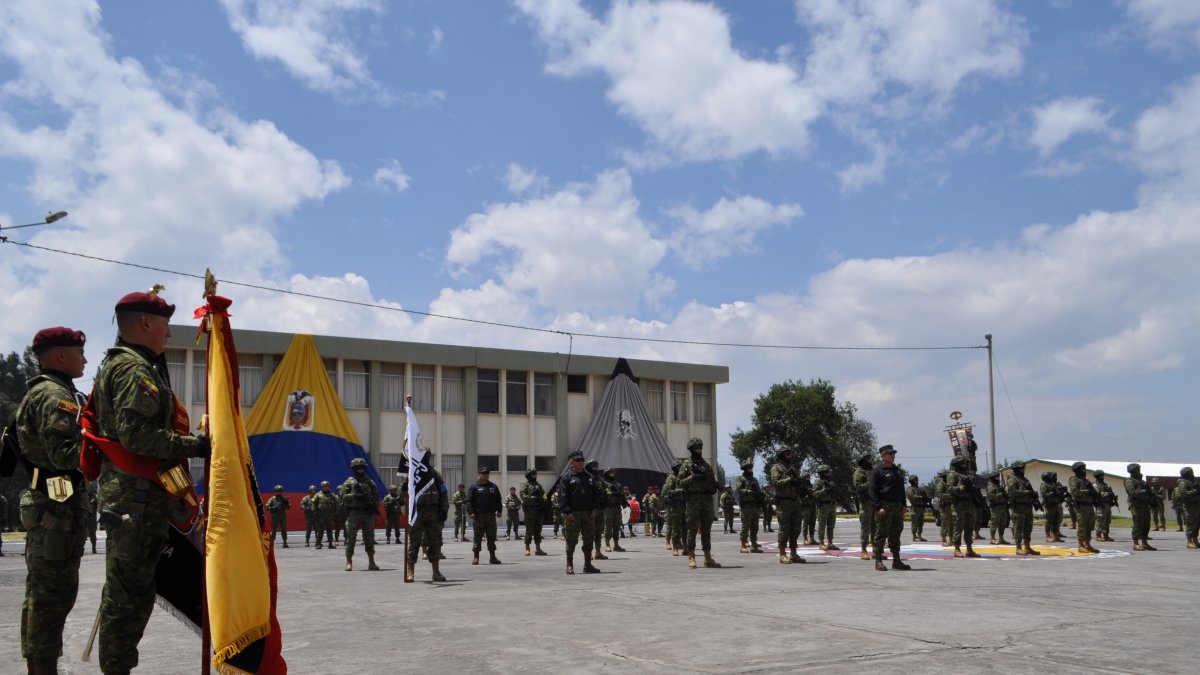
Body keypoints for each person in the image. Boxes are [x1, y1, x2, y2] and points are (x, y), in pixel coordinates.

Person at [91, 292, 211, 675]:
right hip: (136, 502)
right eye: (164, 324)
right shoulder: (134, 370)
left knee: (132, 596)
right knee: (127, 600)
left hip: (138, 500)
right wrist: (198, 446)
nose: (169, 332)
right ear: (145, 323)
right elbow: (137, 436)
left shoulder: (127, 365)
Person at [13, 326, 89, 673]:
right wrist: (101, 446)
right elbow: (63, 455)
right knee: (49, 598)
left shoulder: (51, 392)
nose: (84, 358)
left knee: (48, 596)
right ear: (60, 355)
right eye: (78, 352)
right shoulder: (54, 396)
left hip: (56, 501)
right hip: (54, 505)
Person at [677, 437, 721, 569]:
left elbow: (712, 480)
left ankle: (708, 557)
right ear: (691, 449)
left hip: (706, 500)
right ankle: (691, 556)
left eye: (701, 447)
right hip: (693, 501)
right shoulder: (686, 465)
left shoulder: (706, 465)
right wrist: (692, 477)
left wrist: (713, 487)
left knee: (706, 530)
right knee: (692, 530)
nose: (699, 450)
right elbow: (679, 483)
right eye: (697, 448)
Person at [400, 465, 449, 582]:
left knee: (435, 541)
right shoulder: (412, 473)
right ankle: (410, 571)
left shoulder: (435, 474)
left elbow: (443, 491)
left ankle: (436, 572)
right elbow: (403, 493)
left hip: (433, 512)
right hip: (417, 511)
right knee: (414, 541)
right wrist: (403, 490)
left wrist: (444, 509)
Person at [868, 445, 909, 571]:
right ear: (883, 456)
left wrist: (903, 504)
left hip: (897, 506)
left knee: (896, 533)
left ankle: (896, 561)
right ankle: (878, 561)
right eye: (889, 453)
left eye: (893, 453)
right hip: (884, 506)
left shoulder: (897, 471)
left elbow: (901, 489)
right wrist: (878, 507)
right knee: (881, 533)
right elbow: (873, 490)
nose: (892, 455)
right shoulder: (877, 471)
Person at [560, 450, 601, 574]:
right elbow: (562, 496)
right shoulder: (567, 477)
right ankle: (569, 564)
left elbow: (596, 495)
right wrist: (567, 512)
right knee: (571, 540)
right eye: (578, 460)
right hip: (574, 515)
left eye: (582, 460)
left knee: (589, 540)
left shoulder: (589, 477)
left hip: (588, 514)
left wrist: (595, 509)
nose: (581, 462)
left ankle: (588, 565)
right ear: (572, 462)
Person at [339, 457, 381, 571]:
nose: (360, 470)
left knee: (369, 538)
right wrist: (354, 496)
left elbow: (377, 497)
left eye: (362, 468)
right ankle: (349, 562)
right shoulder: (349, 482)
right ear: (354, 469)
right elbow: (342, 498)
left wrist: (372, 506)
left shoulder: (370, 482)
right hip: (354, 514)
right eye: (358, 468)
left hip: (367, 514)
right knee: (351, 538)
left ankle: (371, 562)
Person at [769, 449, 805, 563]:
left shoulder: (792, 468)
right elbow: (775, 483)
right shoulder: (776, 468)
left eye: (790, 453)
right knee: (784, 529)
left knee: (796, 529)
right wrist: (789, 480)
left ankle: (794, 554)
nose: (789, 455)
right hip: (784, 503)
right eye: (786, 454)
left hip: (795, 502)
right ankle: (782, 554)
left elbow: (797, 483)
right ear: (781, 455)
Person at [467, 466, 503, 564]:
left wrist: (500, 510)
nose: (486, 475)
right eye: (484, 473)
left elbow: (498, 499)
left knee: (491, 537)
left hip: (491, 516)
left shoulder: (493, 487)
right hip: (479, 516)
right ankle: (476, 557)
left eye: (487, 473)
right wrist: (471, 512)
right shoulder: (474, 487)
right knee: (477, 537)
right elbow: (469, 501)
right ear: (479, 474)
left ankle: (492, 557)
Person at [946, 455, 980, 558]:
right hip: (959, 505)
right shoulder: (952, 475)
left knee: (970, 527)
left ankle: (969, 549)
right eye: (962, 463)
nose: (964, 464)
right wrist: (960, 488)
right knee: (958, 527)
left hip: (969, 504)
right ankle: (957, 549)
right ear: (957, 464)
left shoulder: (966, 474)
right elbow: (950, 488)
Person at [1005, 461, 1041, 556]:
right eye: (1021, 468)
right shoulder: (1012, 479)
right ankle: (1018, 548)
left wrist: (1033, 497)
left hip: (1027, 507)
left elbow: (1030, 491)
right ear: (1016, 469)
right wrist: (1027, 492)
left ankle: (1027, 547)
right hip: (1018, 508)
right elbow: (1012, 493)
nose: (1023, 470)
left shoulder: (1024, 479)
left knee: (1028, 528)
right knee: (1018, 528)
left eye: (1023, 468)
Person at [1067, 462, 1101, 553]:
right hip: (1081, 506)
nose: (1084, 470)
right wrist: (1087, 491)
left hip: (1089, 506)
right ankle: (1080, 545)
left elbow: (1093, 493)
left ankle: (1087, 544)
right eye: (1083, 468)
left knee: (1089, 526)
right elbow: (1075, 492)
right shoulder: (1074, 479)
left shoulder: (1086, 481)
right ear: (1078, 470)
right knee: (1082, 526)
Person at [1124, 463, 1156, 551]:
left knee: (1146, 524)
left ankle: (1145, 543)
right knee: (1138, 523)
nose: (1139, 470)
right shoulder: (1129, 480)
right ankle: (1136, 543)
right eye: (1137, 469)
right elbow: (1132, 492)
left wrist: (1151, 494)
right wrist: (1145, 491)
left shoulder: (1142, 481)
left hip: (1145, 504)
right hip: (1136, 505)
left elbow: (1148, 491)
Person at [735, 461, 765, 555]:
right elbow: (739, 490)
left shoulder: (754, 479)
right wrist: (748, 491)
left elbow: (758, 491)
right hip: (746, 506)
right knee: (745, 527)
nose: (751, 470)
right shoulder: (741, 479)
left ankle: (754, 545)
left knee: (755, 527)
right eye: (749, 468)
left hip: (755, 506)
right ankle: (743, 545)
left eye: (751, 468)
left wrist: (760, 497)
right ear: (744, 469)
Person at [852, 452, 875, 560]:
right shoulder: (859, 472)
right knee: (865, 528)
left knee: (876, 527)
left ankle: (876, 551)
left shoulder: (873, 471)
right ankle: (863, 550)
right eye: (868, 458)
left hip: (875, 503)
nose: (871, 460)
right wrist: (870, 483)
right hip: (866, 504)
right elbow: (858, 487)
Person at [812, 465, 840, 551]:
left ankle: (830, 543)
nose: (829, 473)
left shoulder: (831, 482)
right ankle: (821, 543)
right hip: (823, 506)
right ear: (822, 473)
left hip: (832, 505)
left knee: (831, 525)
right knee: (822, 525)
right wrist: (823, 491)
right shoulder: (818, 482)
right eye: (827, 471)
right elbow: (814, 494)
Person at [520, 469, 548, 556]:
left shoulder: (538, 485)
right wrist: (532, 497)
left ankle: (538, 549)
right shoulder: (525, 484)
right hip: (529, 511)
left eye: (536, 474)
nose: (535, 476)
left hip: (538, 510)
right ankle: (527, 549)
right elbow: (522, 495)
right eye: (533, 474)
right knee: (529, 530)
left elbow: (544, 495)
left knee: (538, 530)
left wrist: (544, 499)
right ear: (528, 475)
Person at [586, 459, 609, 560]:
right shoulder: (585, 478)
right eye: (593, 466)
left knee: (598, 532)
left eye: (596, 466)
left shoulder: (600, 478)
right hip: (590, 510)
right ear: (588, 466)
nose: (595, 467)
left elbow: (605, 491)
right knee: (589, 532)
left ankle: (598, 552)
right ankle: (589, 553)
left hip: (600, 509)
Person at [663, 459, 686, 555]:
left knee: (685, 527)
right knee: (674, 527)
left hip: (684, 505)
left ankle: (685, 546)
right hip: (674, 506)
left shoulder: (684, 477)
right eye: (679, 467)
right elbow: (668, 492)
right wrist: (679, 491)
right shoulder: (671, 478)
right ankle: (674, 546)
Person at [601, 468, 626, 552]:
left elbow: (621, 494)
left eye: (613, 472)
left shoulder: (617, 484)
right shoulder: (604, 484)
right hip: (608, 507)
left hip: (617, 507)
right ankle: (607, 544)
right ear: (606, 473)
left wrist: (624, 502)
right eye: (610, 472)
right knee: (608, 527)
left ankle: (616, 545)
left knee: (617, 526)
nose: (612, 474)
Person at [1175, 467, 1199, 549]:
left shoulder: (1193, 481)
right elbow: (1184, 494)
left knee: (1197, 523)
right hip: (1190, 506)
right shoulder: (1183, 482)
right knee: (1190, 523)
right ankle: (1189, 541)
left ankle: (1195, 540)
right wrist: (1195, 491)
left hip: (1197, 505)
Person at [1039, 472, 1065, 543]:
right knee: (1049, 522)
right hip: (1049, 506)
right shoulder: (1044, 485)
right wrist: (1051, 493)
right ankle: (1048, 536)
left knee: (1056, 522)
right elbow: (1043, 494)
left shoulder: (1053, 484)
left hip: (1055, 504)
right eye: (1049, 476)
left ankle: (1056, 537)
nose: (1051, 477)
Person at [1092, 470, 1117, 542]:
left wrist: (1113, 497)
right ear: (1097, 476)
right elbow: (1098, 494)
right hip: (1101, 505)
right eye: (1101, 475)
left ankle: (1106, 535)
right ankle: (1098, 535)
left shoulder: (1105, 485)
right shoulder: (1095, 485)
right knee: (1100, 520)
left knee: (1107, 521)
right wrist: (1108, 494)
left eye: (1103, 475)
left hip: (1107, 504)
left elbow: (1108, 493)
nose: (1102, 477)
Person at [986, 473, 1010, 545]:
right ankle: (992, 538)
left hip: (1003, 506)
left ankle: (1001, 538)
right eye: (996, 476)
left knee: (1003, 523)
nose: (997, 478)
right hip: (996, 507)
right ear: (992, 477)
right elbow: (991, 496)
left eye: (998, 476)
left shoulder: (998, 485)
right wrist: (1001, 494)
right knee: (994, 523)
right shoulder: (990, 486)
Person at [314, 480, 339, 549]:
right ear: (321, 487)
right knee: (320, 531)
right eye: (324, 487)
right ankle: (319, 544)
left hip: (329, 515)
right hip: (321, 515)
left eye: (327, 487)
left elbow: (336, 503)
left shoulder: (332, 494)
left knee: (330, 530)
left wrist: (336, 511)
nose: (326, 488)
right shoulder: (318, 494)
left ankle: (330, 544)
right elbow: (313, 503)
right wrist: (315, 513)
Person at [906, 475, 930, 542]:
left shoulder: (919, 488)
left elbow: (924, 497)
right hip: (915, 508)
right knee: (914, 524)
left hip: (921, 508)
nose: (916, 481)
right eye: (915, 480)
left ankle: (919, 536)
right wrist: (921, 497)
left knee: (921, 524)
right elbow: (911, 497)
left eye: (916, 480)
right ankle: (914, 536)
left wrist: (926, 500)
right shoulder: (910, 489)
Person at [934, 470, 954, 547]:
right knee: (945, 524)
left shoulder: (949, 484)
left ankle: (951, 540)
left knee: (952, 524)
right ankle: (944, 540)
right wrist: (950, 496)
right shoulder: (941, 484)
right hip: (945, 506)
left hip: (951, 506)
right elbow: (940, 495)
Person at [798, 473, 816, 545]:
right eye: (806, 477)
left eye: (808, 477)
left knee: (812, 523)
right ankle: (805, 538)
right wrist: (804, 498)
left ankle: (812, 538)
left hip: (812, 505)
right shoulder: (801, 487)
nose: (808, 478)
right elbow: (799, 496)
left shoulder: (811, 486)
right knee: (806, 523)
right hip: (805, 506)